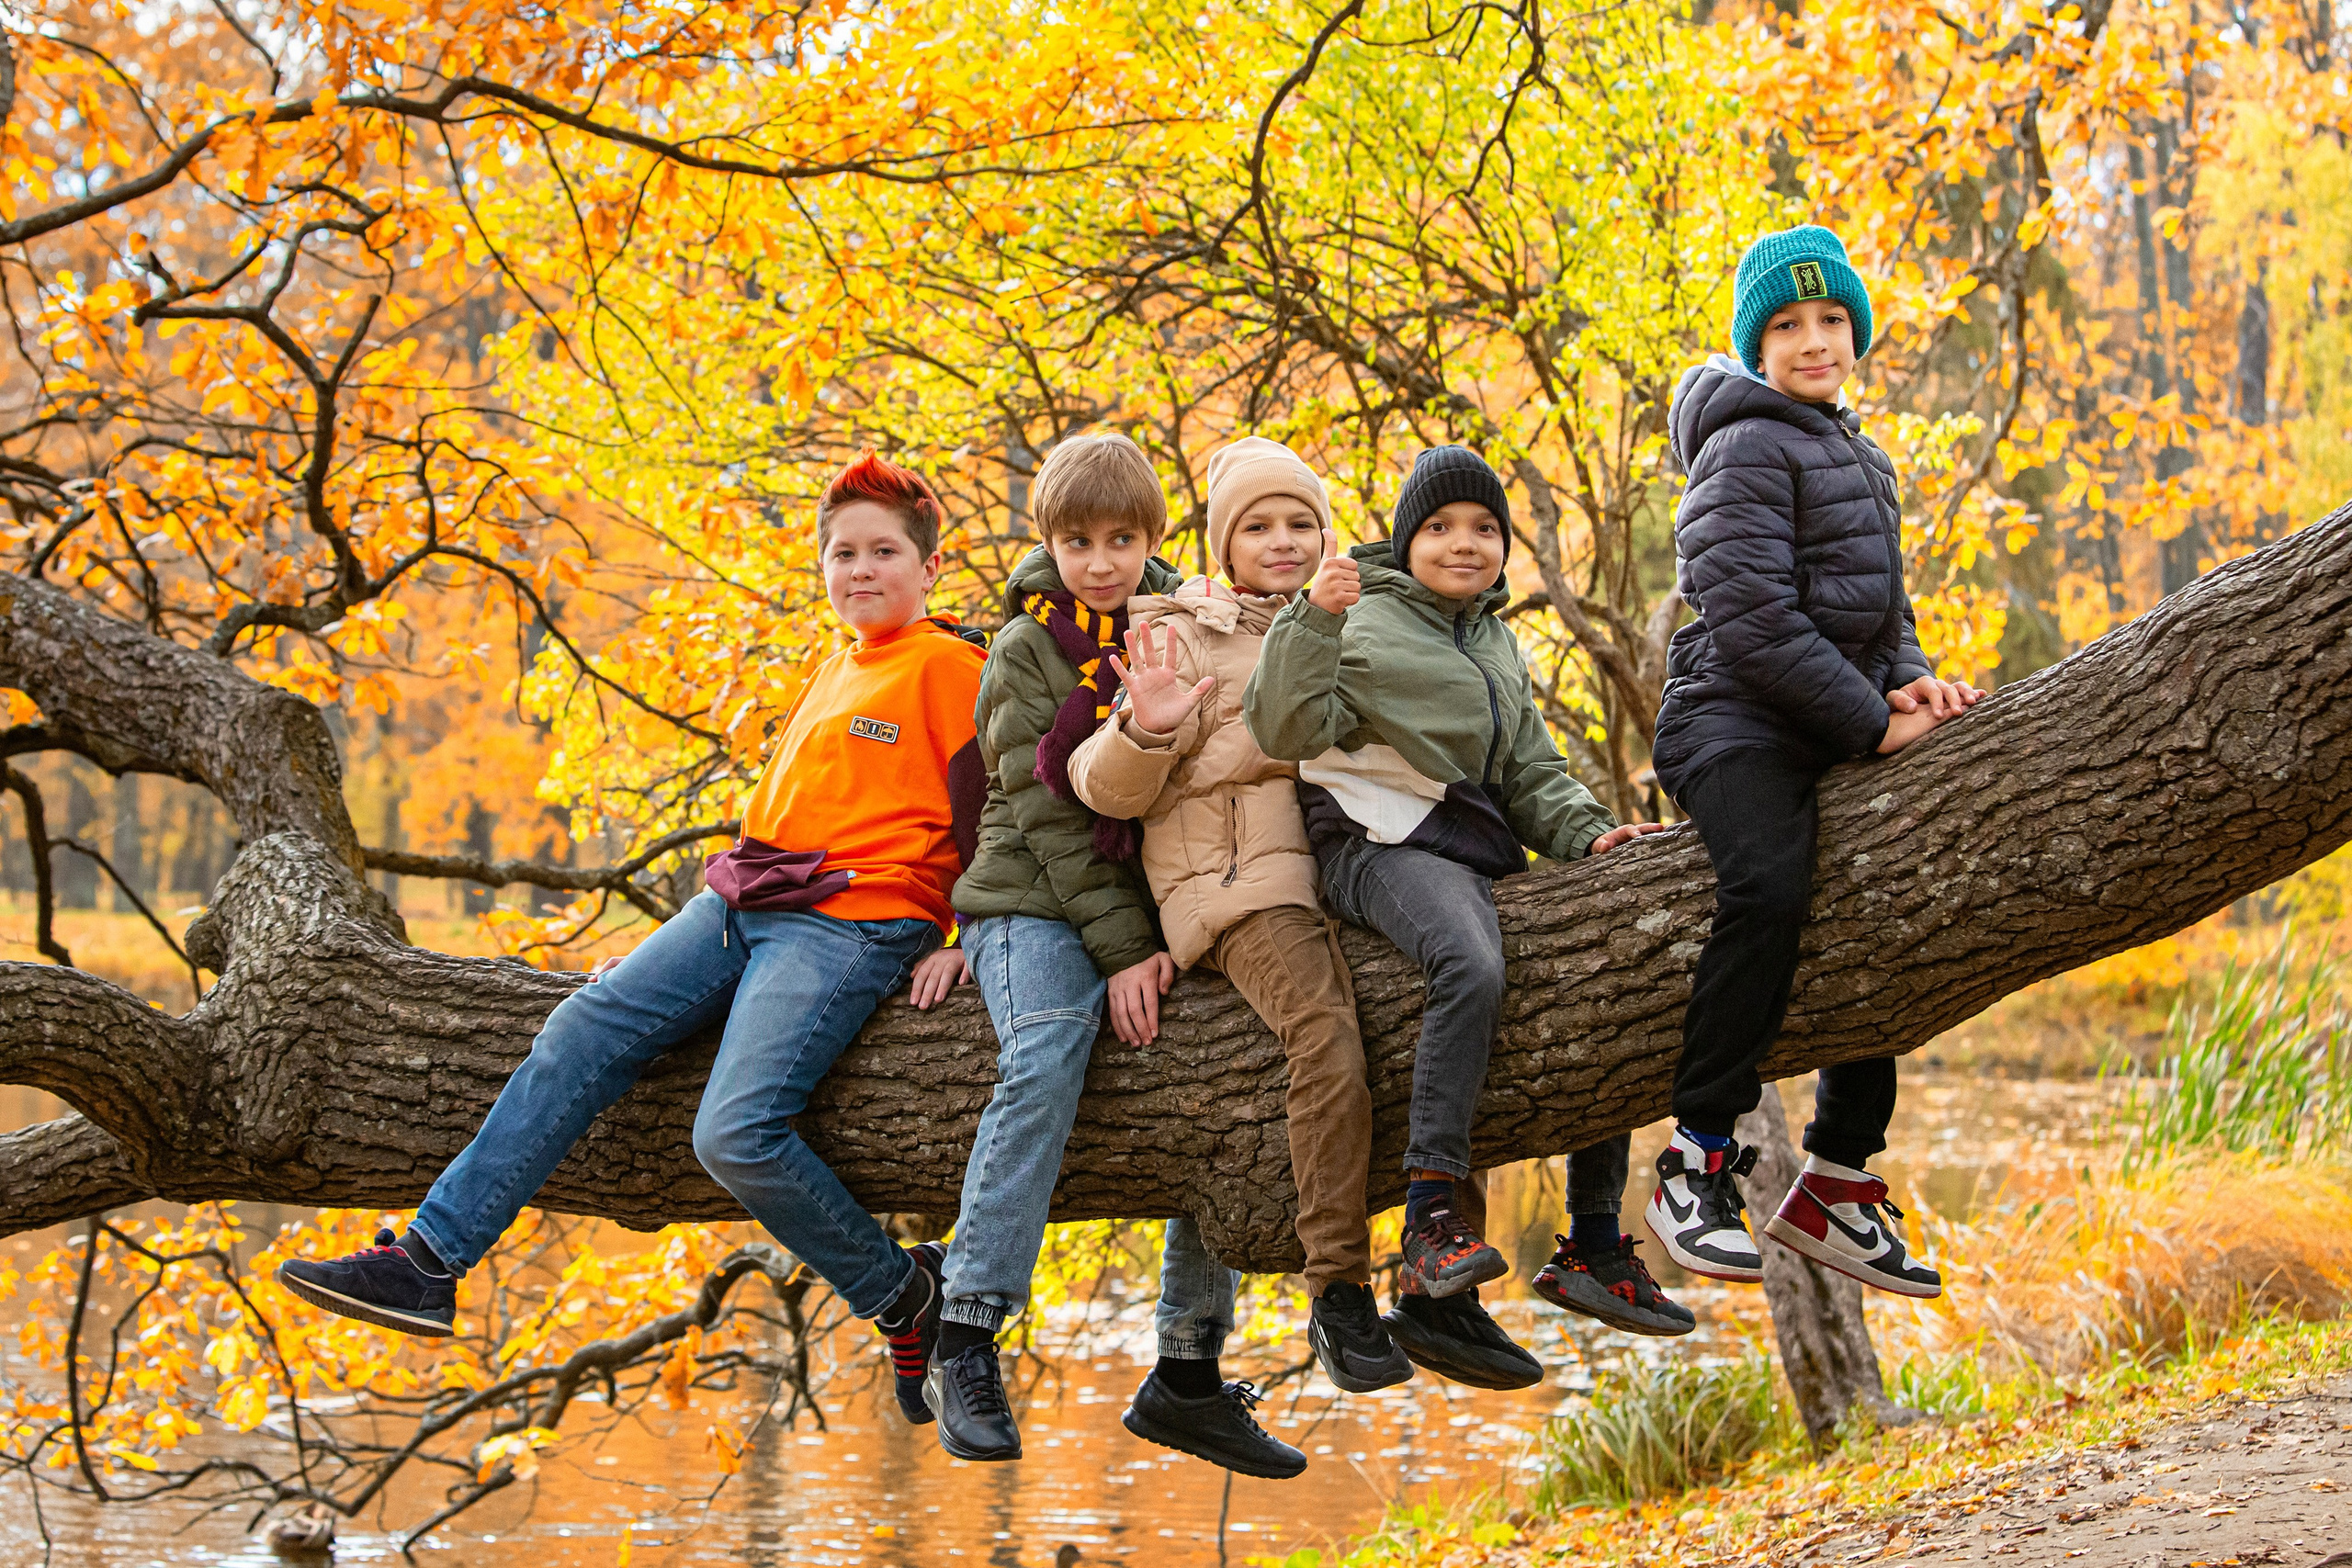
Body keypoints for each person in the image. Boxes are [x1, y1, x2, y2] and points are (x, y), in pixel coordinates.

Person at [277, 451, 990, 1430]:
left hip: (852, 921)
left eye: (883, 552)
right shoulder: (837, 667)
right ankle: (428, 1261)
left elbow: (1006, 818)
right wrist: (673, 959)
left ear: (930, 566)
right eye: (842, 553)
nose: (859, 569)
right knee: (581, 1028)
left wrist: (970, 932)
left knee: (733, 1133)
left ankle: (900, 1293)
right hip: (741, 901)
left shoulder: (954, 670)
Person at [1244, 445, 1693, 1385]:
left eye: (1485, 528)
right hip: (1374, 840)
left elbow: (1528, 772)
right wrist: (1311, 620)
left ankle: (1593, 1243)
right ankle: (1431, 1219)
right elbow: (1282, 728)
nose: (1465, 543)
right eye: (1441, 527)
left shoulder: (1492, 640)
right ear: (1406, 540)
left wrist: (1590, 835)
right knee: (1470, 961)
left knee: (1595, 967)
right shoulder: (1358, 611)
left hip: (1467, 842)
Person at [928, 432, 1299, 1470]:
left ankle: (1187, 1368)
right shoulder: (1023, 648)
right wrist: (1129, 948)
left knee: (1227, 1061)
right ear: (1049, 542)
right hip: (1030, 897)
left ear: (1152, 538)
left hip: (1149, 895)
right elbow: (1047, 820)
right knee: (1048, 1042)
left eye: (1122, 540)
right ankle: (964, 1328)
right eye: (1079, 542)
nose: (1101, 563)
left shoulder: (1179, 621)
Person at [1644, 224, 1984, 1299]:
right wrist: (1871, 724)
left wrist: (1911, 685)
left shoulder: (1861, 456)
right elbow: (1748, 616)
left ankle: (1836, 1181)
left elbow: (1884, 611)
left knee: (1876, 896)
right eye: (1786, 325)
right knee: (1767, 887)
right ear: (1755, 346)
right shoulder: (1744, 444)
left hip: (1826, 719)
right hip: (1731, 723)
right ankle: (1694, 1160)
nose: (1814, 340)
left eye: (1831, 318)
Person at [1067, 436, 1415, 1469]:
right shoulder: (1177, 632)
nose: (1282, 540)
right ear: (1223, 546)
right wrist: (1149, 730)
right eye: (1257, 526)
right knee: (1326, 1037)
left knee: (1462, 982)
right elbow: (1103, 786)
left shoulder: (1343, 618)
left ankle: (1447, 1283)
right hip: (1238, 886)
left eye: (1300, 522)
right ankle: (1340, 1292)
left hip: (1337, 872)